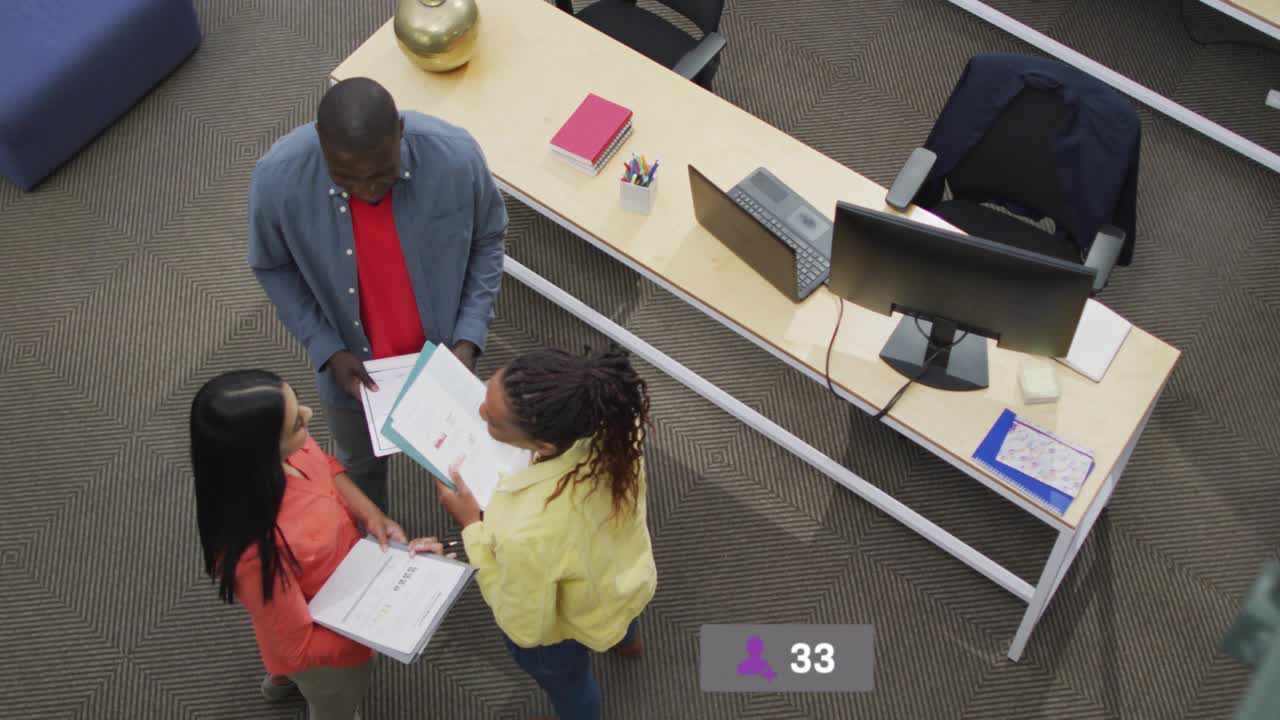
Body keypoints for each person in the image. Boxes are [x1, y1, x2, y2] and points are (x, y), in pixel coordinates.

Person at [247, 77, 507, 514]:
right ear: (321, 145)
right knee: (359, 469)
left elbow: (489, 236)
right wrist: (324, 347)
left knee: (469, 464)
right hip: (351, 373)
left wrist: (469, 334)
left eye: (381, 174)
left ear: (400, 132)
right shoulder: (278, 180)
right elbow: (272, 264)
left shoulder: (455, 156)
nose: (368, 189)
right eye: (346, 178)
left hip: (447, 361)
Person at [191, 369, 448, 720]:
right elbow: (299, 648)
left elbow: (326, 468)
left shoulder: (282, 455)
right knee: (335, 705)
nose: (310, 414)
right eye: (296, 423)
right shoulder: (256, 550)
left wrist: (371, 513)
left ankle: (283, 682)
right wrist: (392, 620)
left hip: (327, 594)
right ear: (262, 454)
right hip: (329, 652)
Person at [434, 346, 658, 720]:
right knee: (619, 618)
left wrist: (472, 526)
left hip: (568, 622)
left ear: (544, 446)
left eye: (492, 421)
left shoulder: (526, 529)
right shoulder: (615, 419)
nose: (479, 413)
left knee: (571, 686)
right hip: (625, 577)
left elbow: (525, 627)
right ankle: (628, 643)